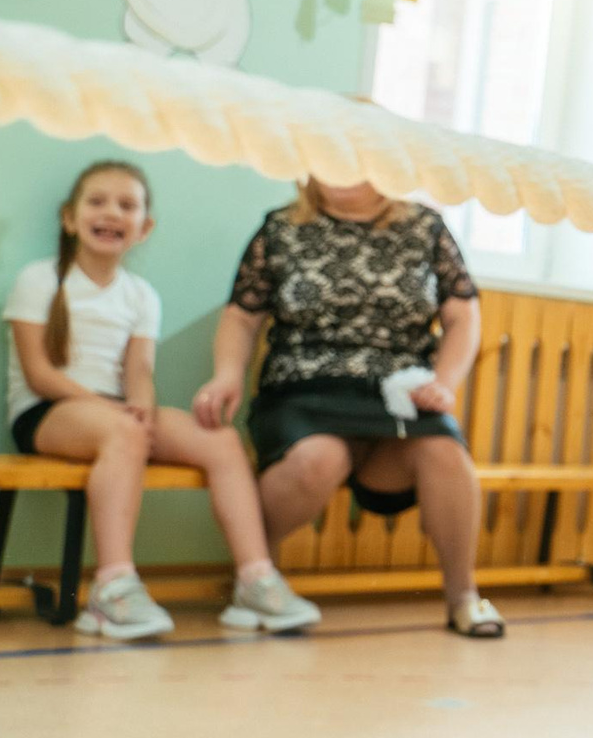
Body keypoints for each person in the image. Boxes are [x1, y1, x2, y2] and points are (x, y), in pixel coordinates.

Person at [2, 160, 298, 639]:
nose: (111, 213)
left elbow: (138, 370)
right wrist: (117, 414)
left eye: (127, 205)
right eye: (97, 202)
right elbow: (39, 375)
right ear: (69, 218)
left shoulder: (142, 295)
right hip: (49, 412)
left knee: (219, 441)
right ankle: (112, 588)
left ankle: (255, 579)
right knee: (124, 430)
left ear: (145, 227)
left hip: (116, 413)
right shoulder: (39, 280)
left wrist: (139, 405)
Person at [193, 178, 496, 636]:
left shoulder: (426, 227)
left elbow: (463, 315)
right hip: (303, 388)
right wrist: (227, 374)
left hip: (400, 390)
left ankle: (464, 598)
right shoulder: (280, 228)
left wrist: (445, 382)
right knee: (318, 459)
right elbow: (241, 314)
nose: (342, 172)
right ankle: (256, 575)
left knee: (446, 454)